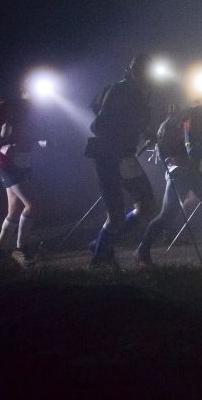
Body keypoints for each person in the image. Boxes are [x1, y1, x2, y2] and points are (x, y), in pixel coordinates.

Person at [135, 83, 202, 267]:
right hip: (181, 173)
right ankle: (142, 251)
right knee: (167, 215)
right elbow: (193, 151)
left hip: (196, 173)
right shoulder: (194, 117)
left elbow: (200, 152)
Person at [84, 54, 156, 268]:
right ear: (134, 71)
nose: (148, 77)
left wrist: (146, 132)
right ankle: (99, 261)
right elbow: (97, 126)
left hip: (127, 158)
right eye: (143, 72)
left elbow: (138, 122)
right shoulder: (119, 90)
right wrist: (119, 137)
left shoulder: (142, 94)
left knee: (147, 207)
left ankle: (101, 244)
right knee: (115, 215)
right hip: (109, 157)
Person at [0, 91, 47, 268]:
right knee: (33, 204)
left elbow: (27, 140)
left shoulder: (33, 111)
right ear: (22, 92)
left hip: (22, 161)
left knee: (14, 210)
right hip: (5, 162)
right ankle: (20, 249)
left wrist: (45, 143)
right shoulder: (4, 107)